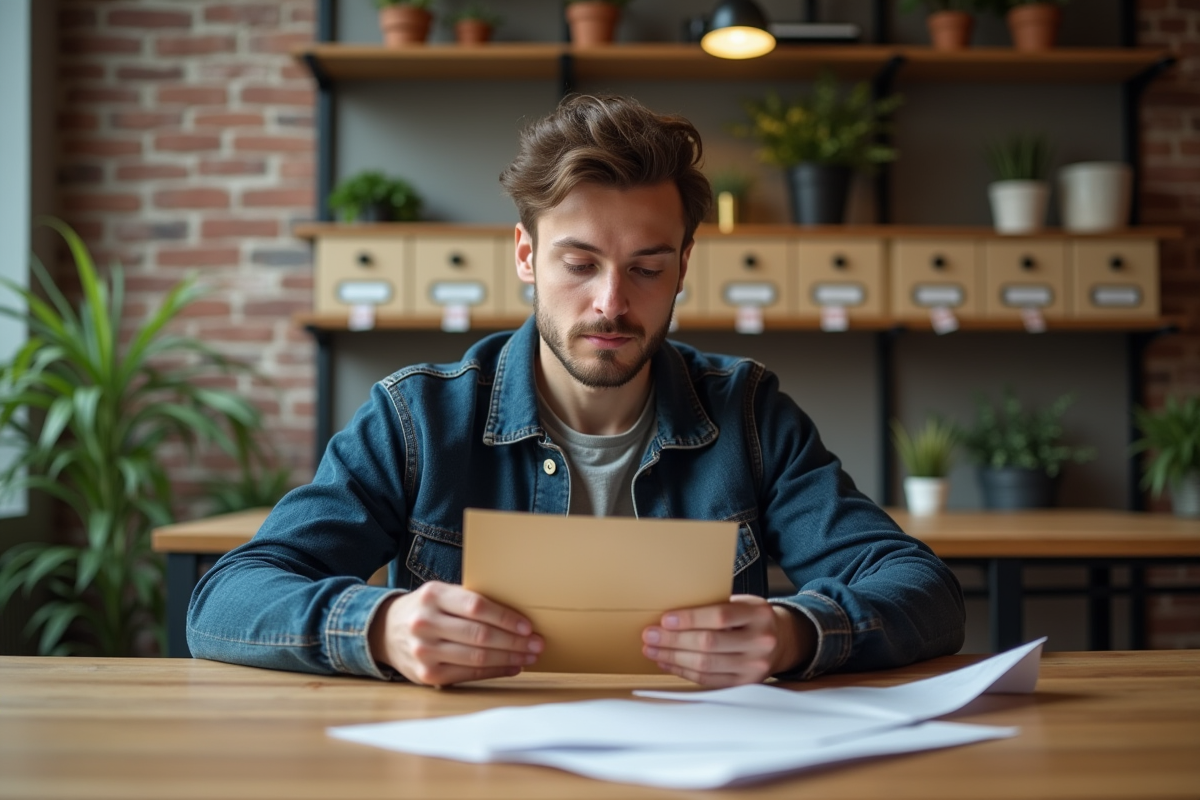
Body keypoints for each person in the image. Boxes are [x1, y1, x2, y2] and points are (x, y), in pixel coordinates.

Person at [188, 95, 964, 688]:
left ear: (685, 266)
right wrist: (381, 624)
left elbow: (923, 589)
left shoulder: (750, 414)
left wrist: (797, 632)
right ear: (525, 255)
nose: (612, 302)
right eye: (579, 262)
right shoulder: (416, 417)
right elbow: (226, 599)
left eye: (648, 268)